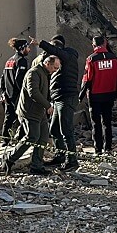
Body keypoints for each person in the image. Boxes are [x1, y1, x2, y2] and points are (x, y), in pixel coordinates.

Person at [2, 53, 60, 175]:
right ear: (47, 63)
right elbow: (33, 92)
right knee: (32, 136)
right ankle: (9, 158)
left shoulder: (44, 73)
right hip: (29, 111)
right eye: (54, 67)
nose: (55, 71)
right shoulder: (34, 73)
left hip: (40, 111)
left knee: (43, 137)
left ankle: (36, 166)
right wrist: (47, 105)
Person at [34, 34, 80, 171]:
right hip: (58, 98)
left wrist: (41, 43)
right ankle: (60, 155)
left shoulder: (68, 56)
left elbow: (57, 52)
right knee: (54, 129)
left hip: (66, 97)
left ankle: (72, 160)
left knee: (66, 129)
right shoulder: (60, 60)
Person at [80, 35, 117, 155]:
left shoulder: (91, 59)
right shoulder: (113, 58)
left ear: (93, 45)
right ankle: (108, 147)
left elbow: (87, 78)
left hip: (95, 95)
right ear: (105, 43)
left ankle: (98, 149)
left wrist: (80, 96)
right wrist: (116, 93)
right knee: (107, 122)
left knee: (96, 123)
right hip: (109, 94)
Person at [0, 38, 32, 146]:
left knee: (8, 118)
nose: (29, 49)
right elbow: (19, 79)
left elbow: (2, 78)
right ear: (22, 49)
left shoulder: (9, 60)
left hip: (8, 94)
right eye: (28, 47)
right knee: (23, 117)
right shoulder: (21, 61)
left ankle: (5, 140)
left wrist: (3, 92)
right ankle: (21, 140)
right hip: (17, 95)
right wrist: (24, 93)